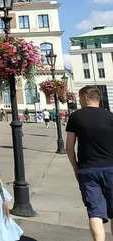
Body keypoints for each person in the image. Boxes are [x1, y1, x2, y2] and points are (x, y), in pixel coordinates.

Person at [65, 86, 113, 241]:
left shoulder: (75, 117)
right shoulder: (110, 116)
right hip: (111, 168)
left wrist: (75, 167)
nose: (79, 101)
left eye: (79, 97)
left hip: (87, 170)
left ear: (85, 97)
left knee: (95, 212)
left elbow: (69, 147)